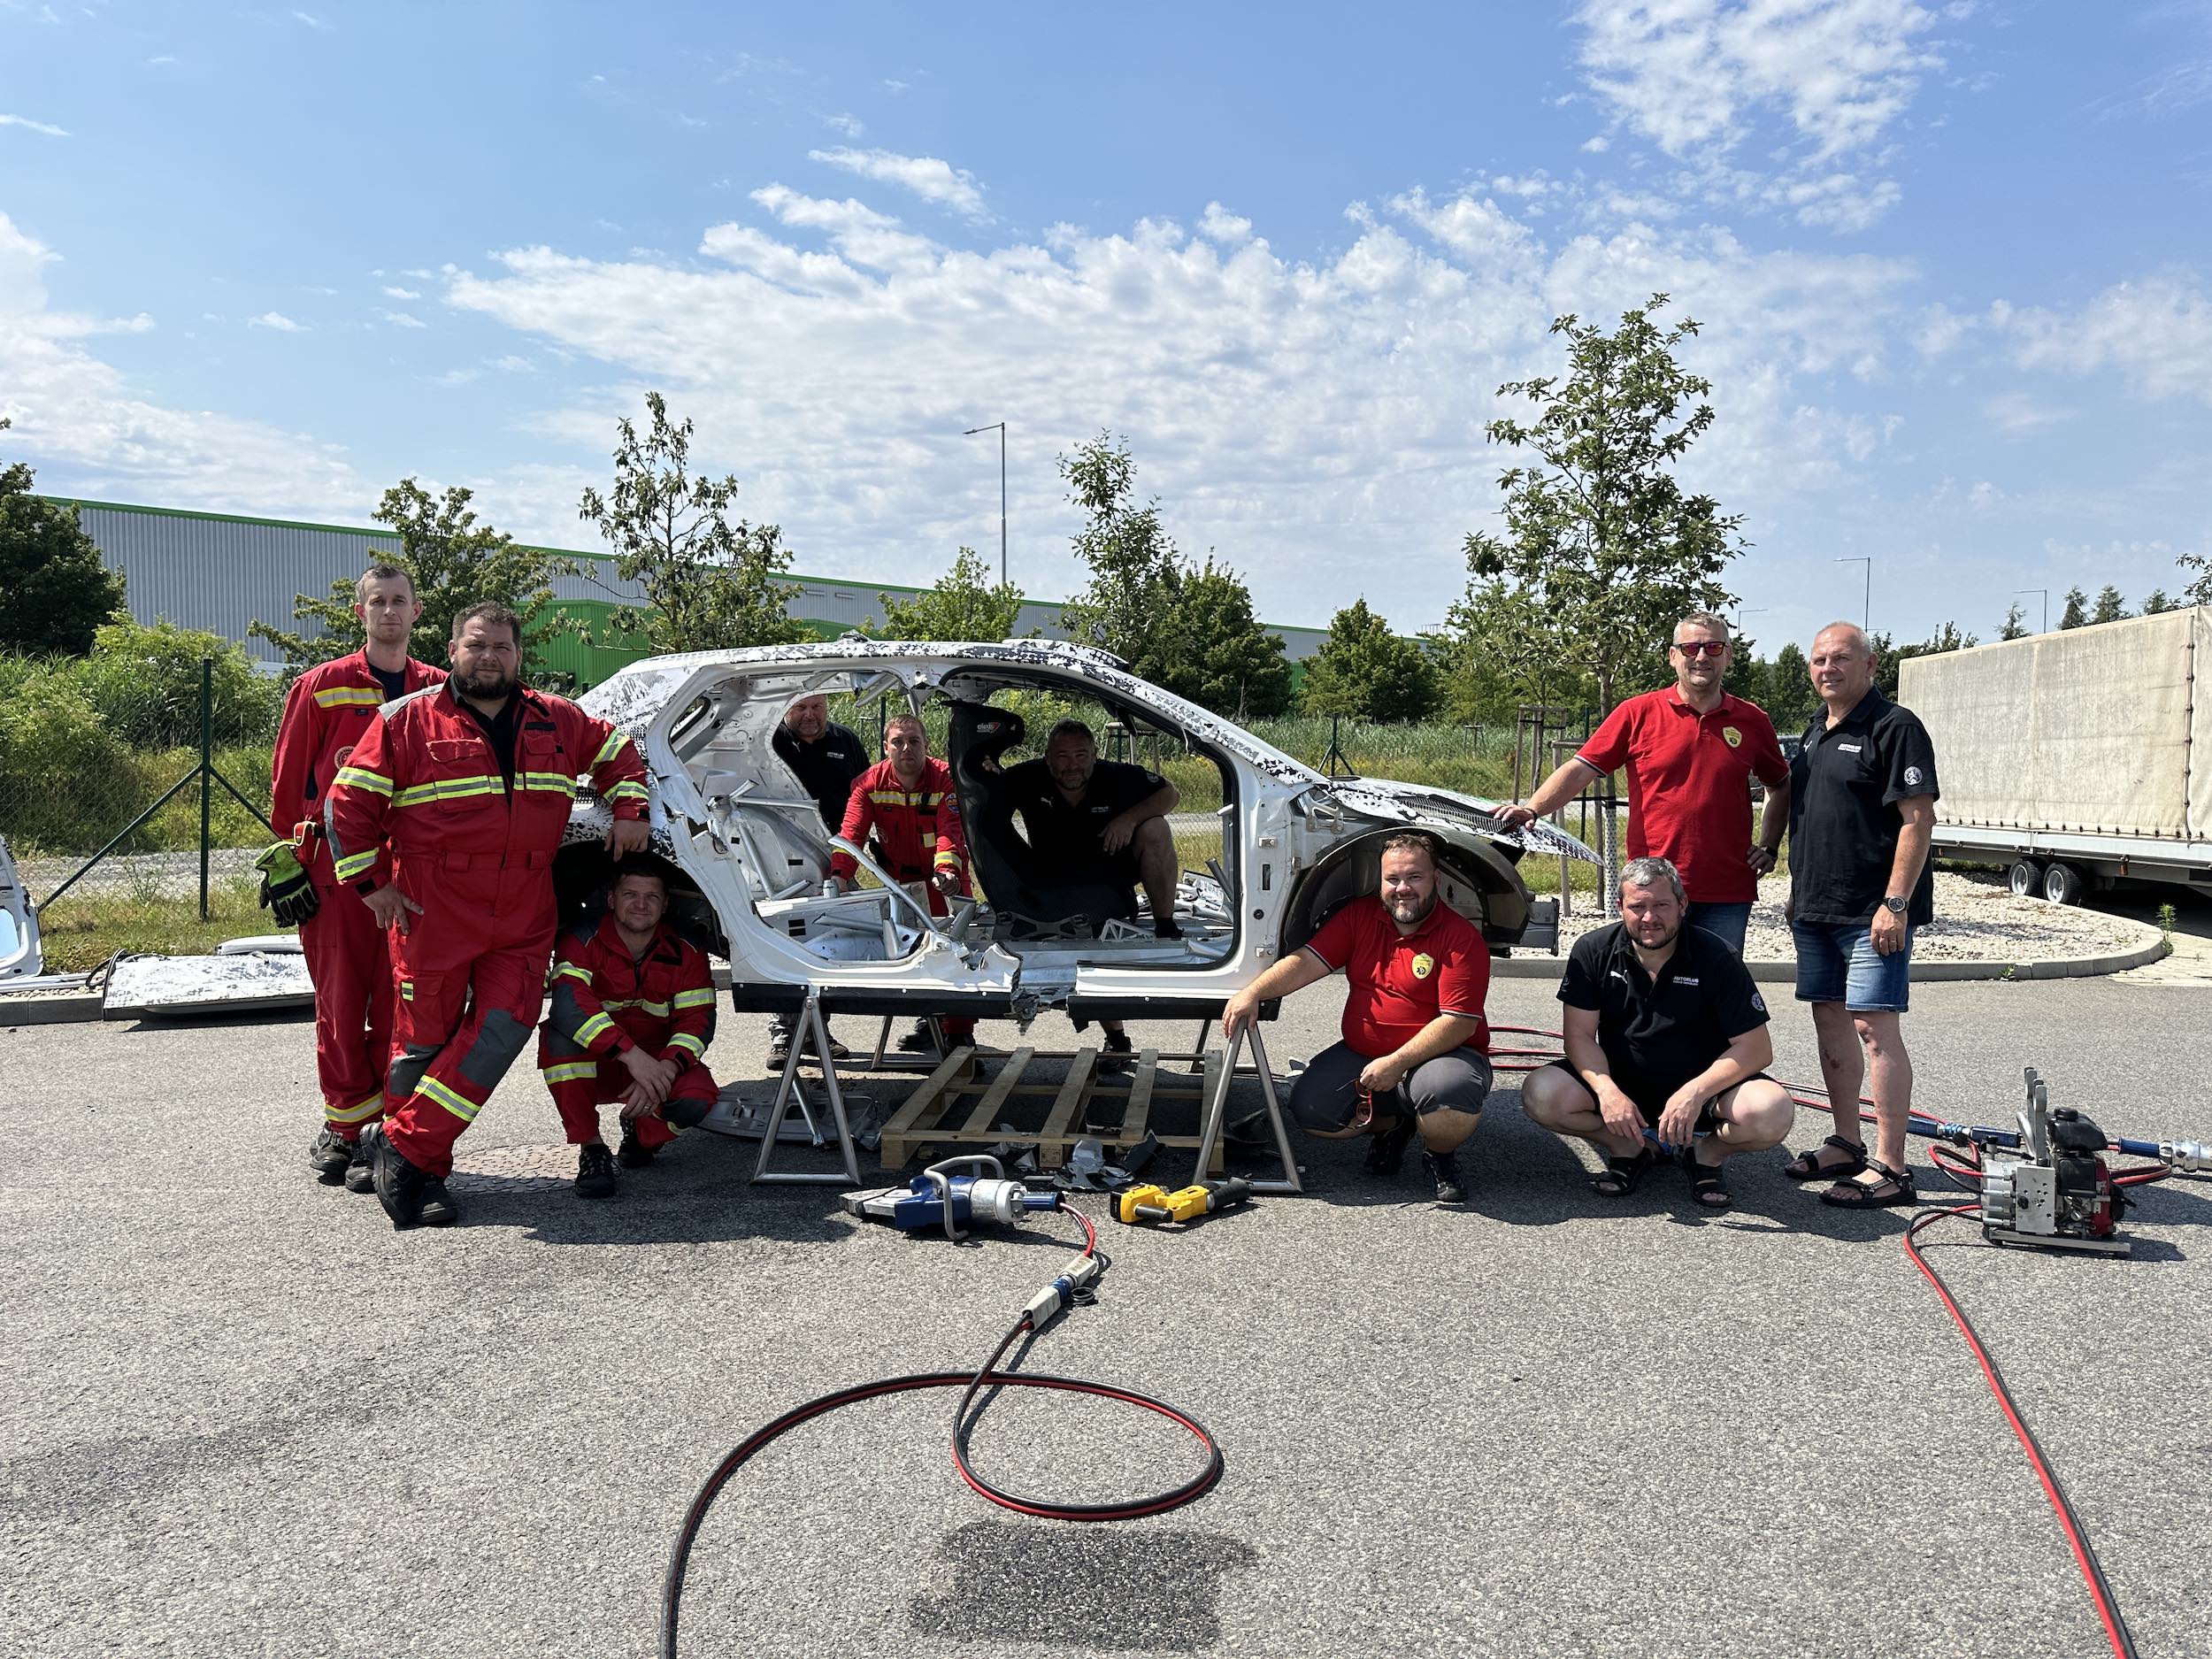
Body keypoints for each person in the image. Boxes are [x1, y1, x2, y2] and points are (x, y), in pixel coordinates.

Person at [326, 602, 651, 1230]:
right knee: (424, 1043)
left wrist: (630, 805)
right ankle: (428, 1173)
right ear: (452, 650)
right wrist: (371, 885)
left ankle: (404, 1147)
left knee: (506, 1024)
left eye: (502, 646)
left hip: (526, 904)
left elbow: (616, 747)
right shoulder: (406, 721)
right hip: (434, 905)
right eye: (477, 645)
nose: (490, 656)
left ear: (518, 655)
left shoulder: (556, 719)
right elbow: (348, 804)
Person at [271, 565, 446, 1193]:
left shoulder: (439, 689)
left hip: (410, 874)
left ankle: (389, 1130)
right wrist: (291, 859)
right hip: (335, 874)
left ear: (417, 611)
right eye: (379, 601)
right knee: (341, 1005)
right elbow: (289, 786)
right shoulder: (320, 687)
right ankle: (345, 1127)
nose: (390, 611)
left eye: (400, 601)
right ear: (361, 611)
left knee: (403, 1004)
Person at [1219, 833, 1492, 1203]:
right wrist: (1254, 992)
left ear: (1436, 881)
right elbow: (1307, 962)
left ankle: (1439, 1154)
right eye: (1392, 879)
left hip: (1443, 1056)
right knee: (1311, 1112)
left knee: (1447, 1097)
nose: (1402, 889)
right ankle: (1397, 1123)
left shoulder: (1460, 938)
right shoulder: (1360, 916)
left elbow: (1459, 1022)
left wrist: (1397, 1063)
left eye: (1415, 877)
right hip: (1366, 1053)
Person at [1496, 612, 1789, 955]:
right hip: (1652, 889)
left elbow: (1780, 785)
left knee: (1716, 997)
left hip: (1726, 891)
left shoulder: (1753, 720)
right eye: (1691, 647)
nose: (1701, 656)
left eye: (1713, 647)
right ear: (1673, 656)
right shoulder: (1637, 713)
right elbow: (1580, 769)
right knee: (1648, 990)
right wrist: (1533, 808)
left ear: (1728, 655)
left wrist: (1769, 846)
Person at [1521, 857, 1795, 1210]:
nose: (1649, 918)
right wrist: (1606, 1091)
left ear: (1682, 905)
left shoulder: (1717, 956)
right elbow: (1579, 1036)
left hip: (1703, 1091)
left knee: (1772, 1111)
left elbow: (1756, 1049)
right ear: (1620, 907)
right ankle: (1629, 1147)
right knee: (1540, 1093)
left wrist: (1695, 1093)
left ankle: (1705, 1153)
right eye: (1638, 907)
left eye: (1661, 905)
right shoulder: (1592, 951)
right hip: (1624, 1086)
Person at [1777, 622, 1939, 1209]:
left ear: (1871, 664)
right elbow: (1808, 815)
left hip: (1873, 915)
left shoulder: (1895, 727)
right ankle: (1846, 1141)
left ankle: (1892, 1166)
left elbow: (1917, 821)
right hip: (1817, 909)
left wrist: (1895, 903)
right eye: (1818, 659)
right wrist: (1799, 887)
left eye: (1840, 658)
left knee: (1874, 1027)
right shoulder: (1817, 731)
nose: (1827, 668)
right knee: (1831, 1023)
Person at [996, 718, 1183, 1067]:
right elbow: (986, 789)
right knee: (1079, 963)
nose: (1073, 765)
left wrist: (1129, 819)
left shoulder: (1117, 776)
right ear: (1048, 758)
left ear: (1095, 756)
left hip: (1110, 883)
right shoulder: (1027, 777)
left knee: (1156, 826)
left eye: (1081, 755)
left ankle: (1166, 923)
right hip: (1053, 886)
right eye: (1063, 756)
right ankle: (1118, 1039)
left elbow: (1170, 793)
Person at [538, 858, 719, 1200]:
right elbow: (569, 1007)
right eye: (630, 894)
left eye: (651, 897)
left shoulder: (688, 949)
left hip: (656, 1064)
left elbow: (698, 1020)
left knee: (698, 1100)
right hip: (604, 1064)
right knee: (560, 1040)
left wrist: (666, 1067)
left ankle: (641, 1132)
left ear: (665, 904)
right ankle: (592, 1149)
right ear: (611, 899)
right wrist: (632, 1057)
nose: (640, 904)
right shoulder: (579, 939)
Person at [827, 711, 979, 1054]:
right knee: (909, 956)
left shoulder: (945, 780)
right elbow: (851, 834)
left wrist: (948, 872)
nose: (906, 748)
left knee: (955, 953)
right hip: (898, 883)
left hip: (943, 881)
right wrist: (839, 876)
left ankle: (958, 1035)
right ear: (886, 747)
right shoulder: (870, 784)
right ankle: (929, 1022)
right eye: (898, 742)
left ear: (927, 745)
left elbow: (949, 833)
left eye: (914, 741)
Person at [768, 694, 868, 1066]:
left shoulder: (847, 742)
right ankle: (783, 1035)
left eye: (817, 708)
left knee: (828, 945)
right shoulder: (770, 743)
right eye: (800, 708)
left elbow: (866, 796)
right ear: (785, 709)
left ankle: (817, 1033)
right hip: (781, 866)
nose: (810, 716)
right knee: (785, 943)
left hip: (836, 861)